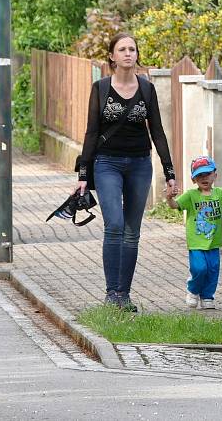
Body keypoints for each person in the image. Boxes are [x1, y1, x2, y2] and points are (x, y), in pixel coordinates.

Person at [76, 32, 176, 312]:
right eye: (122, 49)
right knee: (115, 225)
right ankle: (111, 293)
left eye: (132, 49)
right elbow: (92, 132)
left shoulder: (147, 89)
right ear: (112, 56)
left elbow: (157, 131)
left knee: (132, 231)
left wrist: (169, 172)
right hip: (107, 163)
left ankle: (124, 294)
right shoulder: (101, 88)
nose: (128, 54)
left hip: (139, 164)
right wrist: (83, 173)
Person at [166, 156, 222, 309]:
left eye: (207, 174)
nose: (204, 178)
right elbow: (175, 205)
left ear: (215, 175)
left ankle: (207, 296)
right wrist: (169, 197)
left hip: (214, 243)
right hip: (196, 243)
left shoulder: (220, 194)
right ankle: (193, 290)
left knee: (213, 271)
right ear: (193, 179)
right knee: (199, 268)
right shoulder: (191, 196)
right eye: (199, 175)